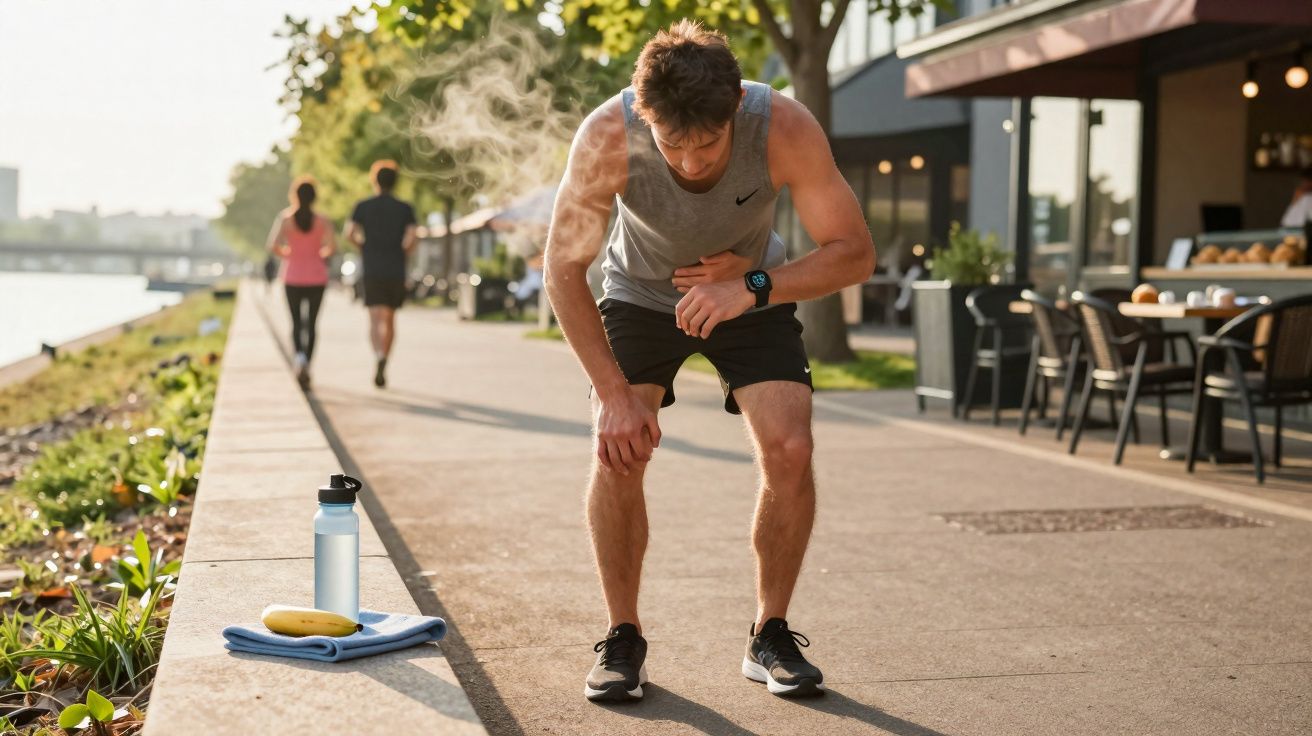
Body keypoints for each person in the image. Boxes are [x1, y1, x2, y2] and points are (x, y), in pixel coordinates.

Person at [544, 20, 875, 703]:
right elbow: (562, 270)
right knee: (620, 451)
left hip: (750, 293)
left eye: (708, 145)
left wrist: (750, 285)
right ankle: (622, 635)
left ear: (735, 113)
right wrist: (611, 394)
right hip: (640, 295)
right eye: (673, 146)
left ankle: (770, 632)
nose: (691, 164)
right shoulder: (609, 136)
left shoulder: (782, 126)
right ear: (646, 117)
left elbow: (853, 251)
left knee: (790, 446)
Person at [344, 160, 418, 388]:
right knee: (390, 318)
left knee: (375, 318)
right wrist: (403, 251)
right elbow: (414, 236)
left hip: (372, 268)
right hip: (395, 269)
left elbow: (349, 233)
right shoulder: (405, 209)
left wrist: (364, 246)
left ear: (374, 180)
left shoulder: (363, 206)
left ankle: (377, 354)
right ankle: (385, 357)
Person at [267, 176, 334, 389]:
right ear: (315, 197)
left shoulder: (285, 219)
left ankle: (300, 360)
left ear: (294, 196)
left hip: (293, 277)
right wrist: (318, 254)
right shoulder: (323, 221)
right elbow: (332, 247)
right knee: (312, 324)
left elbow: (272, 245)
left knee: (296, 323)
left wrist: (289, 253)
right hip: (317, 277)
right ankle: (308, 365)